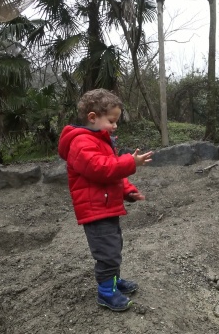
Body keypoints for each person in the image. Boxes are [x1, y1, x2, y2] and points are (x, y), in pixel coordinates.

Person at [58, 88, 153, 311]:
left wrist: (128, 191)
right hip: (94, 209)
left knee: (114, 246)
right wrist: (131, 162)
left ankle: (113, 280)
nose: (115, 126)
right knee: (107, 251)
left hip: (107, 205)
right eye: (112, 120)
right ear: (93, 117)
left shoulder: (100, 140)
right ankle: (106, 292)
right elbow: (101, 169)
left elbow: (113, 177)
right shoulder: (80, 143)